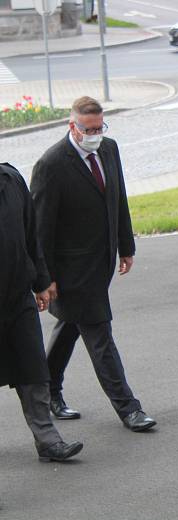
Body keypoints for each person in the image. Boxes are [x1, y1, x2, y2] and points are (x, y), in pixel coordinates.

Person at [30, 96, 156, 433]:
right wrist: (44, 279)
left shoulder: (109, 149)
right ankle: (129, 409)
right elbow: (40, 230)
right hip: (70, 273)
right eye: (89, 129)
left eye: (100, 127)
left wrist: (126, 245)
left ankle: (46, 392)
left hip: (100, 263)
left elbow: (118, 199)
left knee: (70, 327)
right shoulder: (51, 165)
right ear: (72, 126)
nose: (95, 134)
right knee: (100, 336)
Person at [1, 161, 83, 462]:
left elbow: (30, 235)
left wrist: (41, 280)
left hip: (16, 297)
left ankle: (48, 440)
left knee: (33, 369)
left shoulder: (10, 179)